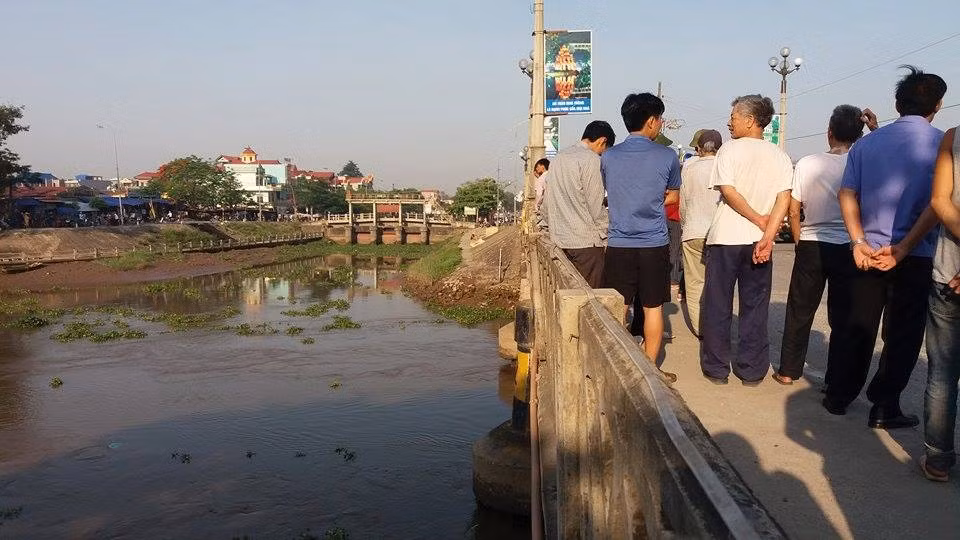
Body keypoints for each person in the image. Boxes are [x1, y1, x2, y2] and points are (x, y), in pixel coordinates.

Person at [829, 66, 947, 429]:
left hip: (866, 253)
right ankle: (884, 406)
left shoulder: (866, 144)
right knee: (903, 333)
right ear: (938, 105)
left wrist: (858, 241)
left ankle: (838, 396)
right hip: (916, 255)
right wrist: (904, 247)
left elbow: (847, 192)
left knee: (857, 324)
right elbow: (937, 204)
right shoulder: (944, 146)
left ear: (897, 104)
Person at [772, 105, 875, 385]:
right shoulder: (861, 162)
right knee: (841, 316)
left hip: (811, 243)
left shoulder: (807, 163)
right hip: (848, 245)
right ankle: (835, 379)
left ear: (829, 133)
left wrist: (798, 239)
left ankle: (788, 371)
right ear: (858, 133)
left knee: (800, 310)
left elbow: (794, 210)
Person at [699, 95, 793, 385]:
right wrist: (767, 233)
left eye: (734, 116)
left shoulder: (730, 150)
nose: (730, 122)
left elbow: (727, 190)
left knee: (718, 304)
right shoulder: (779, 155)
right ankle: (752, 371)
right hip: (758, 243)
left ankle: (716, 368)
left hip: (726, 238)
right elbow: (784, 198)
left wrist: (757, 219)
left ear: (750, 121)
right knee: (754, 306)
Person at [602, 92, 681, 382]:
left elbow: (610, 191)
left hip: (619, 244)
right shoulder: (667, 156)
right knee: (652, 308)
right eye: (659, 119)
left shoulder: (609, 156)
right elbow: (673, 195)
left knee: (618, 307)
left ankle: (617, 365)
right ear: (650, 122)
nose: (660, 124)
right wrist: (654, 202)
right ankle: (650, 372)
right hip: (653, 244)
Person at [922, 124, 960, 481]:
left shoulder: (954, 136)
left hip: (948, 271)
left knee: (943, 372)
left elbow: (939, 201)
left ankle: (938, 459)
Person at [544, 120, 616, 287]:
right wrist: (605, 237)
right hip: (586, 244)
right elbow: (595, 204)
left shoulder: (558, 159)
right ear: (602, 141)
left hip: (560, 242)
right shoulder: (592, 160)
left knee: (568, 297)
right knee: (591, 301)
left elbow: (547, 203)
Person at [679, 129, 723, 338]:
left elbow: (683, 205)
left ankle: (701, 330)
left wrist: (686, 225)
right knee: (718, 284)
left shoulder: (688, 168)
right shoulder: (724, 167)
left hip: (692, 232)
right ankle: (717, 328)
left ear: (699, 148)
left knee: (695, 283)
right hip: (720, 234)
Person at [533, 158, 550, 230]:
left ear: (543, 166)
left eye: (537, 166)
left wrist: (536, 206)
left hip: (547, 206)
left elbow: (539, 195)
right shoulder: (553, 175)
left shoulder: (541, 179)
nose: (536, 169)